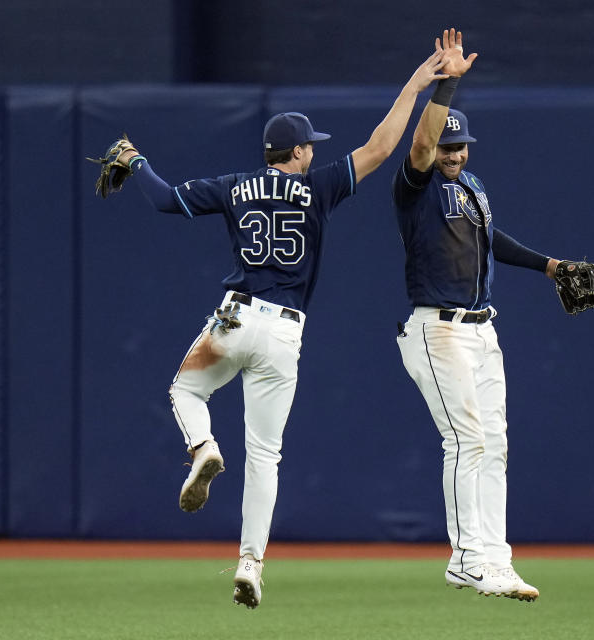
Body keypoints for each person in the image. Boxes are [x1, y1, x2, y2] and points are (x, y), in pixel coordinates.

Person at [109, 45, 449, 608]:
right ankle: (250, 565)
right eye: (311, 145)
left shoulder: (235, 184)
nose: (315, 151)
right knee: (265, 455)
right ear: (296, 151)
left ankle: (201, 448)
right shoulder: (317, 188)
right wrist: (414, 85)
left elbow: (167, 201)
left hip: (234, 317)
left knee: (185, 390)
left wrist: (136, 162)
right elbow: (383, 146)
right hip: (285, 332)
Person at [393, 28, 563, 602]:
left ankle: (495, 558)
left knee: (494, 443)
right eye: (447, 146)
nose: (453, 154)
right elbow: (417, 147)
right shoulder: (416, 189)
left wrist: (547, 266)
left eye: (460, 147)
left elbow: (493, 243)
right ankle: (465, 560)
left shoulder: (473, 185)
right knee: (465, 440)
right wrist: (445, 89)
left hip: (482, 329)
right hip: (436, 329)